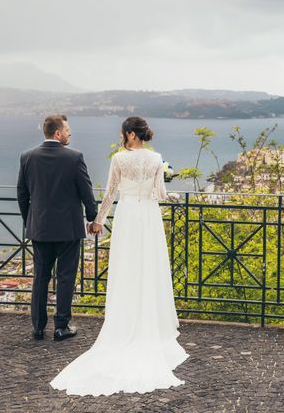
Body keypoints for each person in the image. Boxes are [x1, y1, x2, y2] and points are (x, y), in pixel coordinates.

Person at [49, 116, 188, 396]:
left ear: (129, 134)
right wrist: (171, 196)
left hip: (127, 216)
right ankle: (151, 318)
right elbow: (159, 193)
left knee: (127, 268)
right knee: (149, 266)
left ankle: (125, 318)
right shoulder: (156, 159)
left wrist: (98, 220)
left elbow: (110, 192)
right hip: (148, 216)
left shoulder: (119, 159)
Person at [17, 114, 98, 342]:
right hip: (68, 229)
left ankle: (38, 328)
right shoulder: (74, 158)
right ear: (58, 133)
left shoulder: (27, 157)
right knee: (65, 277)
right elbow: (86, 192)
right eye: (68, 129)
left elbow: (22, 194)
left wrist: (30, 221)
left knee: (40, 277)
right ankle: (61, 327)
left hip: (40, 228)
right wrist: (93, 217)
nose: (70, 133)